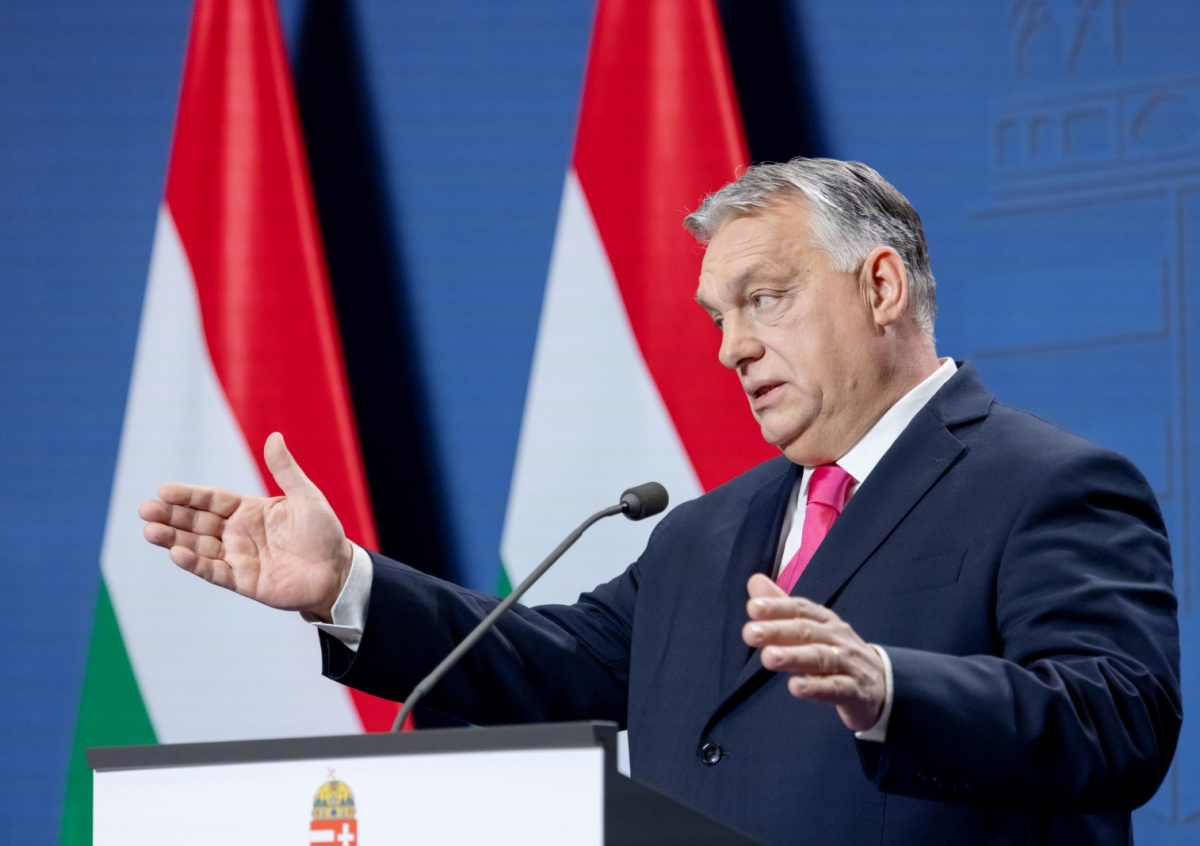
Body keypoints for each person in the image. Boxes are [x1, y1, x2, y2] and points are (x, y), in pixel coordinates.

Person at [140, 159, 1181, 845]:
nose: (731, 348)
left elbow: (1118, 719)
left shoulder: (1047, 485)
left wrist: (890, 686)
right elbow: (548, 664)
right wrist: (345, 587)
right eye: (718, 317)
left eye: (765, 299)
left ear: (881, 287)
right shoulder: (703, 532)